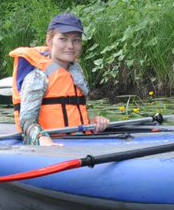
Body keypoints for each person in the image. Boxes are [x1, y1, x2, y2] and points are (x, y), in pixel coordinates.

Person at [10, 13, 110, 146]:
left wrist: (94, 124)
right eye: (63, 39)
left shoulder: (75, 74)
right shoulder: (38, 77)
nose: (70, 45)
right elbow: (26, 122)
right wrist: (42, 138)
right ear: (50, 41)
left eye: (76, 40)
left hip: (78, 143)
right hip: (50, 145)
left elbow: (72, 118)